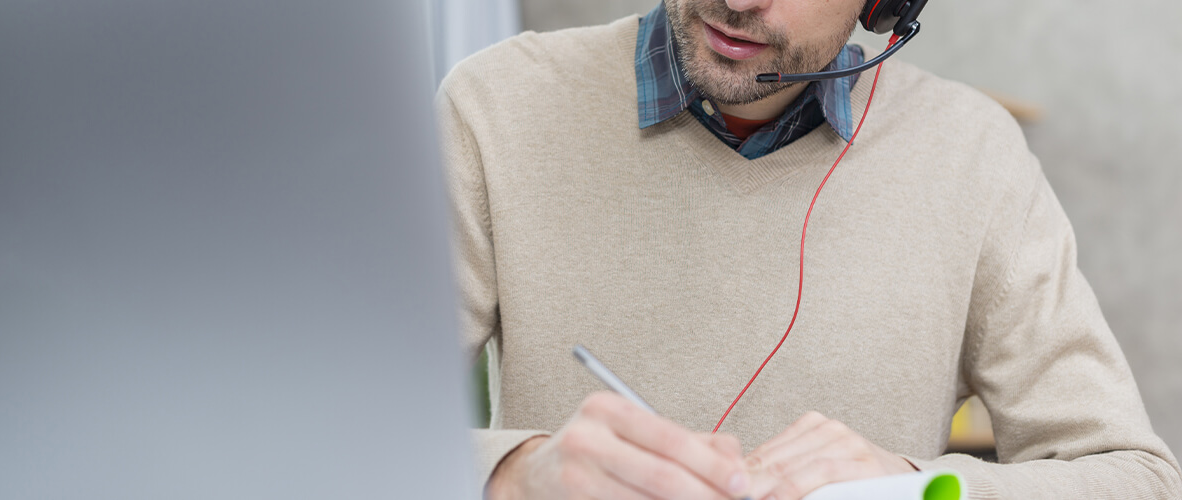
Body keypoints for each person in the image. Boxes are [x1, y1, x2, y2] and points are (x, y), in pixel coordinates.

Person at [436, 0, 1182, 498]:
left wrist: (909, 486)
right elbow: (330, 431)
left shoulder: (976, 155)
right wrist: (513, 474)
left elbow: (1136, 478)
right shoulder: (492, 107)